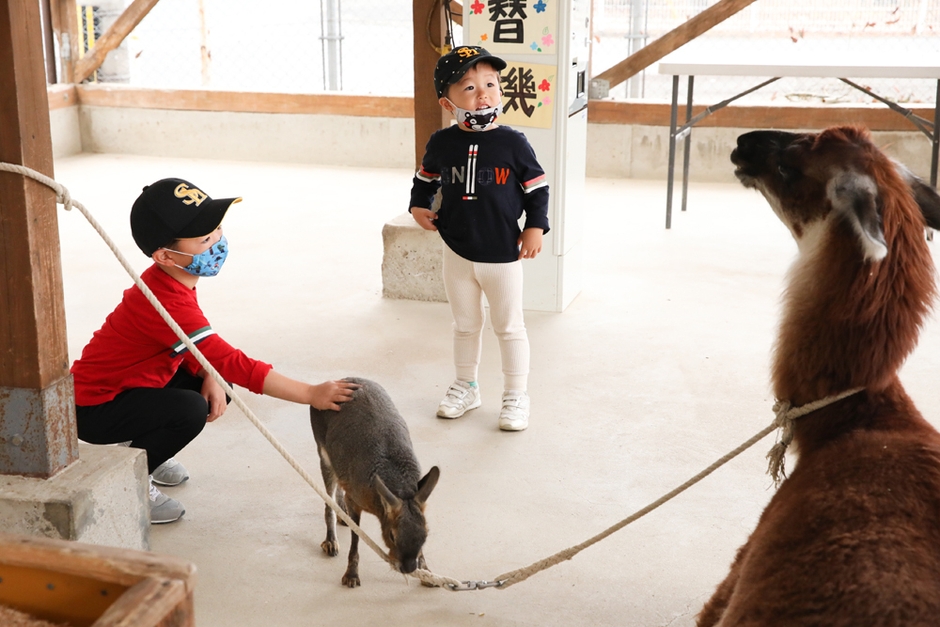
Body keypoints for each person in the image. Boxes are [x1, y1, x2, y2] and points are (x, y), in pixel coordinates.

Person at [71, 178, 358, 524]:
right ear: (165, 255)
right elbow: (232, 361)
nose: (217, 242)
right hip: (95, 408)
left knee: (218, 382)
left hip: (134, 384)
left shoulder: (171, 280)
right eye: (205, 239)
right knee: (192, 408)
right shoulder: (164, 302)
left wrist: (209, 371)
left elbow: (202, 355)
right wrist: (311, 393)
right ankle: (131, 480)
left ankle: (144, 452)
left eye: (218, 229)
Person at [409, 46, 550, 432]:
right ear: (447, 101)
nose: (483, 94)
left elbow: (538, 190)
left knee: (509, 326)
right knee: (465, 324)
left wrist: (536, 226)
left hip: (502, 254)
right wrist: (417, 206)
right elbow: (424, 180)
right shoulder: (442, 142)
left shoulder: (513, 143)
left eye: (490, 84)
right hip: (456, 252)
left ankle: (516, 394)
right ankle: (467, 386)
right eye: (469, 87)